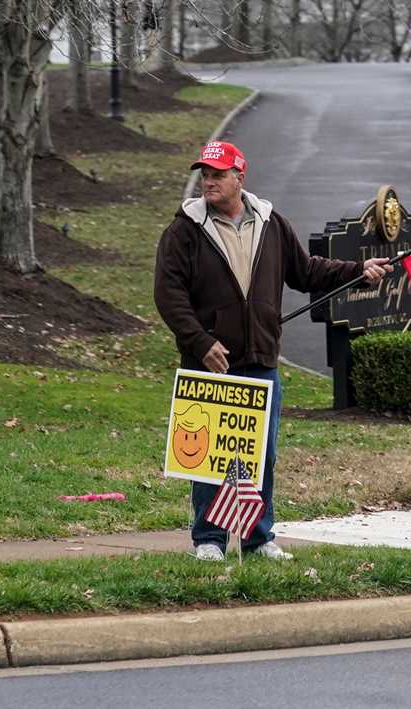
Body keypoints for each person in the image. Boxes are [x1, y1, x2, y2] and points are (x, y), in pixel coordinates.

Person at [154, 140, 392, 562]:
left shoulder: (271, 223)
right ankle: (208, 540)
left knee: (258, 456)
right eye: (205, 174)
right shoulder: (183, 231)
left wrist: (357, 272)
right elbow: (169, 296)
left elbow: (307, 271)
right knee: (210, 456)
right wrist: (200, 342)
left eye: (218, 174)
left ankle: (257, 538)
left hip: (260, 359)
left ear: (239, 178)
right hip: (210, 362)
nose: (209, 181)